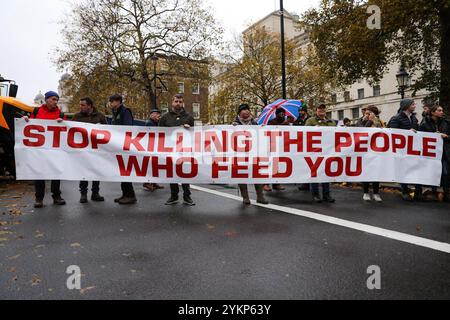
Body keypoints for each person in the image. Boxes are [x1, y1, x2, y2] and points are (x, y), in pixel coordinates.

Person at [23, 91, 66, 208]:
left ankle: (56, 196)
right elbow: (29, 125)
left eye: (56, 100)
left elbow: (66, 131)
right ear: (46, 99)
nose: (55, 102)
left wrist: (63, 123)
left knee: (56, 173)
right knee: (39, 173)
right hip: (40, 150)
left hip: (55, 149)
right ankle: (39, 198)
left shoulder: (61, 114)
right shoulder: (37, 111)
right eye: (53, 99)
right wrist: (25, 120)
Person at [160, 94, 196, 206]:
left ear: (183, 103)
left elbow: (194, 134)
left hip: (184, 150)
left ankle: (187, 196)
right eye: (176, 101)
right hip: (170, 149)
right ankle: (174, 195)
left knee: (185, 172)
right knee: (172, 172)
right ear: (172, 102)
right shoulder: (165, 117)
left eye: (180, 101)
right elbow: (159, 134)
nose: (178, 103)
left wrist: (189, 129)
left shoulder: (189, 117)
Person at [232, 104, 269, 205]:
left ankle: (260, 196)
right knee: (242, 174)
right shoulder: (233, 124)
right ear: (239, 112)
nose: (246, 111)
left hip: (254, 152)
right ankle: (245, 197)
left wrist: (262, 129)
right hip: (240, 153)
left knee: (257, 173)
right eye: (243, 110)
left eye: (247, 109)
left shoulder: (255, 123)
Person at [72, 97, 107, 203]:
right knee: (83, 172)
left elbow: (107, 131)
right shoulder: (76, 117)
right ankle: (83, 194)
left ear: (90, 106)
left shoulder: (100, 116)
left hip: (97, 150)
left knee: (96, 171)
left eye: (83, 105)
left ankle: (95, 193)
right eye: (80, 105)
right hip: (83, 150)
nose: (80, 107)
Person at [388, 99, 422, 201]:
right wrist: (407, 132)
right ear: (407, 106)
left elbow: (418, 131)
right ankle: (405, 191)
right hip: (401, 150)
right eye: (413, 104)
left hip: (413, 149)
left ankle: (418, 192)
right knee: (403, 170)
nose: (415, 106)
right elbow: (391, 133)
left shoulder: (414, 118)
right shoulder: (396, 118)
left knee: (417, 169)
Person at [109, 94, 137, 205]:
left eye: (112, 101)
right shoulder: (115, 112)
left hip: (125, 145)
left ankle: (130, 195)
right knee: (121, 170)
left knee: (125, 170)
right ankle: (125, 194)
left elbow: (127, 128)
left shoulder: (125, 111)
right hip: (118, 145)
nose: (111, 103)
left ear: (118, 101)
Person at [305, 104, 336, 203]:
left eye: (323, 109)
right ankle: (315, 194)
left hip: (327, 150)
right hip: (314, 150)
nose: (322, 110)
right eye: (320, 109)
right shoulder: (310, 121)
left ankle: (326, 195)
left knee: (326, 172)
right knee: (314, 172)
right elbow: (303, 132)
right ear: (316, 110)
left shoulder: (331, 122)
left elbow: (336, 133)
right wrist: (314, 129)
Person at [419, 105, 450, 202]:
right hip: (431, 153)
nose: (442, 112)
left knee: (445, 173)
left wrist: (446, 136)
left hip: (444, 152)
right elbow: (420, 137)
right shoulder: (424, 123)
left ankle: (446, 193)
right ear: (433, 112)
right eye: (439, 110)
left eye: (442, 110)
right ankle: (434, 192)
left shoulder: (446, 122)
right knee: (433, 172)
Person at [358, 106, 383, 202]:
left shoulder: (379, 122)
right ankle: (366, 192)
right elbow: (362, 131)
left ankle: (376, 193)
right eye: (366, 113)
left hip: (376, 150)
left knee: (376, 172)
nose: (367, 115)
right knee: (366, 172)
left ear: (374, 114)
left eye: (369, 113)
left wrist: (374, 122)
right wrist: (369, 121)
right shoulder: (361, 121)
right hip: (365, 151)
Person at [264, 108, 291, 191]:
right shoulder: (271, 122)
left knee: (278, 165)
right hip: (271, 146)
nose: (282, 115)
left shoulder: (287, 122)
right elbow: (271, 131)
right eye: (280, 113)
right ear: (276, 114)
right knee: (270, 165)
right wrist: (284, 124)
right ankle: (266, 183)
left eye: (283, 113)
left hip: (282, 147)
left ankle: (276, 183)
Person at [143, 109, 164, 192]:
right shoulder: (149, 123)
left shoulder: (155, 123)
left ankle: (154, 182)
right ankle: (147, 182)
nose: (159, 116)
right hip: (150, 147)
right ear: (152, 115)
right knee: (150, 166)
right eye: (157, 114)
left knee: (154, 165)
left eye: (159, 114)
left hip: (153, 147)